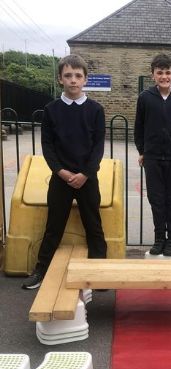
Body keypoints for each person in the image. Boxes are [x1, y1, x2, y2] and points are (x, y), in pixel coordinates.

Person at [22, 54, 107, 289]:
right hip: (61, 179)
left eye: (78, 76)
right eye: (68, 75)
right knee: (54, 226)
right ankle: (41, 270)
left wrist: (85, 174)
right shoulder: (51, 110)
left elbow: (98, 147)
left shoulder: (96, 110)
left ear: (85, 79)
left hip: (87, 179)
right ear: (60, 79)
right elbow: (48, 146)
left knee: (94, 226)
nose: (73, 80)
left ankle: (99, 273)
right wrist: (60, 171)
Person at [134, 53, 171, 257]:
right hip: (152, 158)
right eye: (160, 73)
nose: (164, 76)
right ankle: (159, 238)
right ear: (153, 75)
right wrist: (142, 151)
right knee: (156, 199)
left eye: (168, 72)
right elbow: (139, 127)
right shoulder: (145, 98)